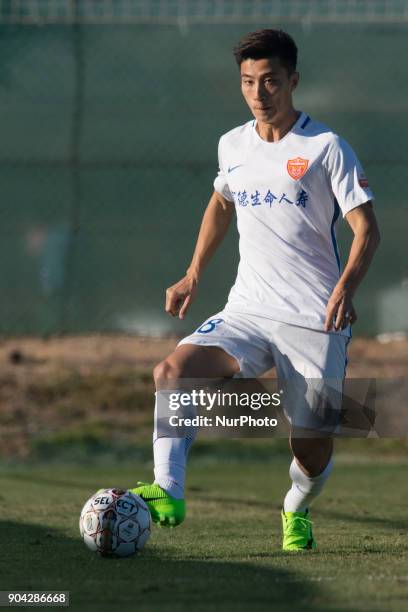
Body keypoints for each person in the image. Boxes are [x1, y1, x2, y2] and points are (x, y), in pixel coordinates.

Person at [132, 29, 380, 550]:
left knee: (311, 444)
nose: (258, 93)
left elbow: (366, 229)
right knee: (172, 371)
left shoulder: (325, 147)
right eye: (248, 82)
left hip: (315, 318)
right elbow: (223, 202)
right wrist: (194, 272)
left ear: (292, 80)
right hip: (247, 307)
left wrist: (345, 289)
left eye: (269, 81)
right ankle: (168, 489)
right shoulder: (233, 144)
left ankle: (295, 507)